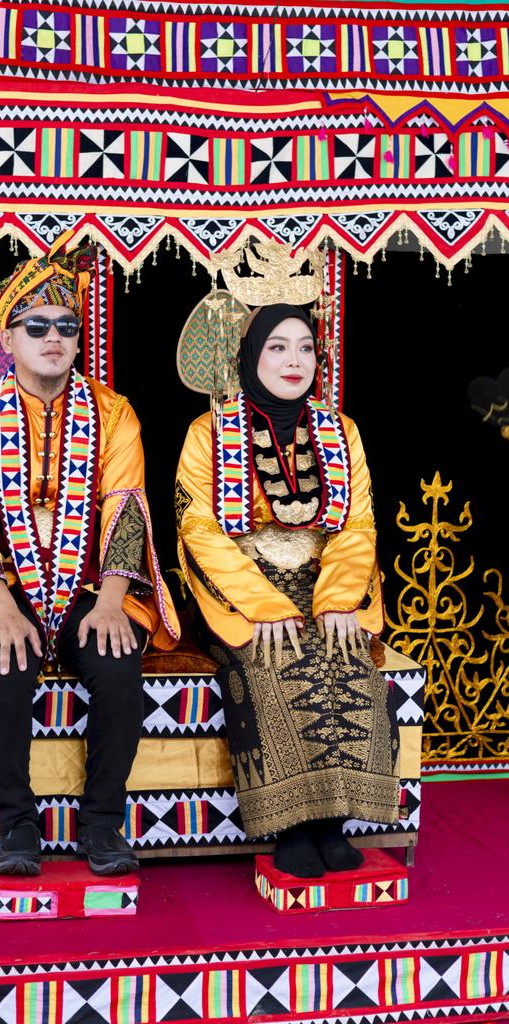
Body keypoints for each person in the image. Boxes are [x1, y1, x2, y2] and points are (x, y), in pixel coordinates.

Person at [0, 231, 179, 877]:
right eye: (34, 325)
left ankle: (101, 823)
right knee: (5, 670)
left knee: (121, 668)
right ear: (7, 338)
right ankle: (14, 828)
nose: (52, 337)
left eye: (65, 324)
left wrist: (115, 602)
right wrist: (2, 611)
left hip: (92, 586)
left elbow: (125, 507)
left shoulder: (115, 413)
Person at [175, 302, 399, 878]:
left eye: (304, 347)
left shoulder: (340, 431)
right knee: (275, 661)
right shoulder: (208, 433)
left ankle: (334, 822)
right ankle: (292, 827)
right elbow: (197, 528)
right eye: (277, 347)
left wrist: (339, 599)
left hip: (324, 581)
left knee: (347, 661)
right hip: (239, 587)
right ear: (250, 358)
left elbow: (359, 523)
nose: (293, 360)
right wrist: (264, 605)